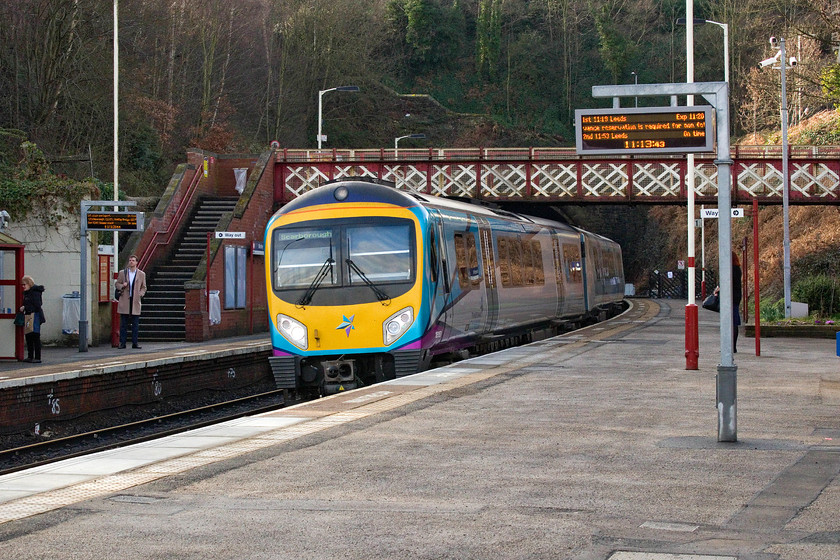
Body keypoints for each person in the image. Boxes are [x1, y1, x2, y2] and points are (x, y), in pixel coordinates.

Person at [115, 255, 147, 349]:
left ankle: (135, 343)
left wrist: (140, 294)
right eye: (130, 260)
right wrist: (122, 286)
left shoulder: (141, 274)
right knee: (123, 324)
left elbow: (143, 287)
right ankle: (122, 343)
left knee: (135, 324)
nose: (131, 262)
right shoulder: (123, 273)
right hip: (125, 300)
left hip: (135, 301)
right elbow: (117, 284)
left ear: (137, 262)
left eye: (133, 260)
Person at [714, 251, 742, 353]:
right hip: (736, 297)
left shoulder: (731, 269)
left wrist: (719, 289)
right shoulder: (737, 269)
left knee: (729, 321)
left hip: (729, 297)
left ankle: (729, 346)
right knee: (734, 321)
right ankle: (733, 346)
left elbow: (726, 282)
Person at [19, 275, 46, 363]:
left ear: (29, 284)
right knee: (29, 336)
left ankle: (37, 357)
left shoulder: (35, 292)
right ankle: (30, 356)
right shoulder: (27, 293)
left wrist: (26, 307)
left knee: (35, 336)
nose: (23, 286)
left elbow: (37, 305)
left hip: (35, 316)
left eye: (24, 284)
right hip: (29, 315)